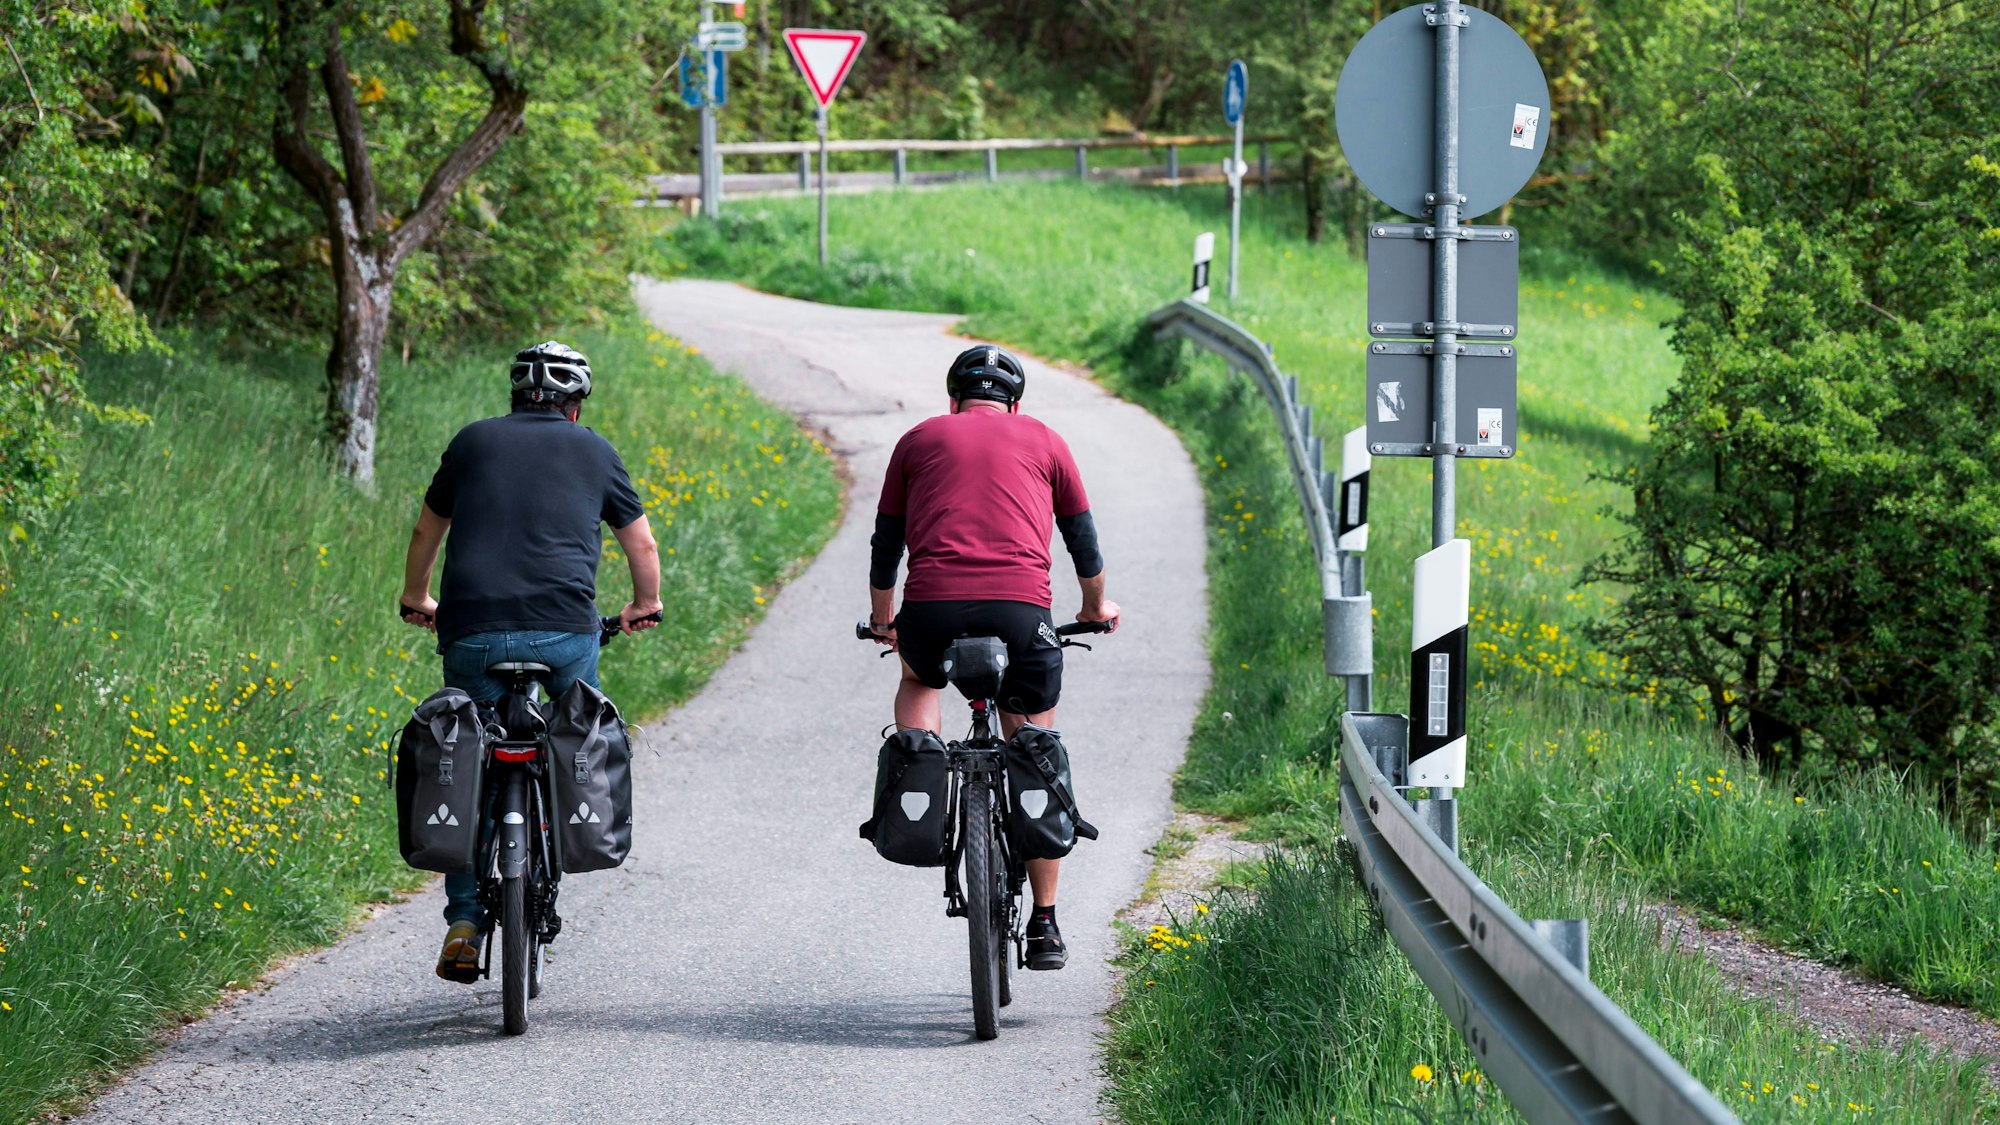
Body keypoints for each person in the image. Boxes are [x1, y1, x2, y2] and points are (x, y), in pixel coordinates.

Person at [397, 340, 662, 982]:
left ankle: (463, 918)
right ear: (575, 407)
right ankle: (571, 832)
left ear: (515, 398)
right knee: (581, 731)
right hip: (565, 634)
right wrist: (644, 603)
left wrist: (416, 597)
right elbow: (641, 542)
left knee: (468, 754)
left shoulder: (472, 442)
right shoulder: (595, 449)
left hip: (473, 633)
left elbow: (426, 531)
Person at [865, 344, 1120, 971]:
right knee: (1034, 748)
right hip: (1022, 615)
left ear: (953, 399)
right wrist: (1095, 608)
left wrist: (882, 619)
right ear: (1016, 403)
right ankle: (1046, 923)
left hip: (930, 612)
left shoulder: (918, 439)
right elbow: (1082, 541)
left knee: (918, 678)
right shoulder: (1046, 440)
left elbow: (886, 541)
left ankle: (922, 756)